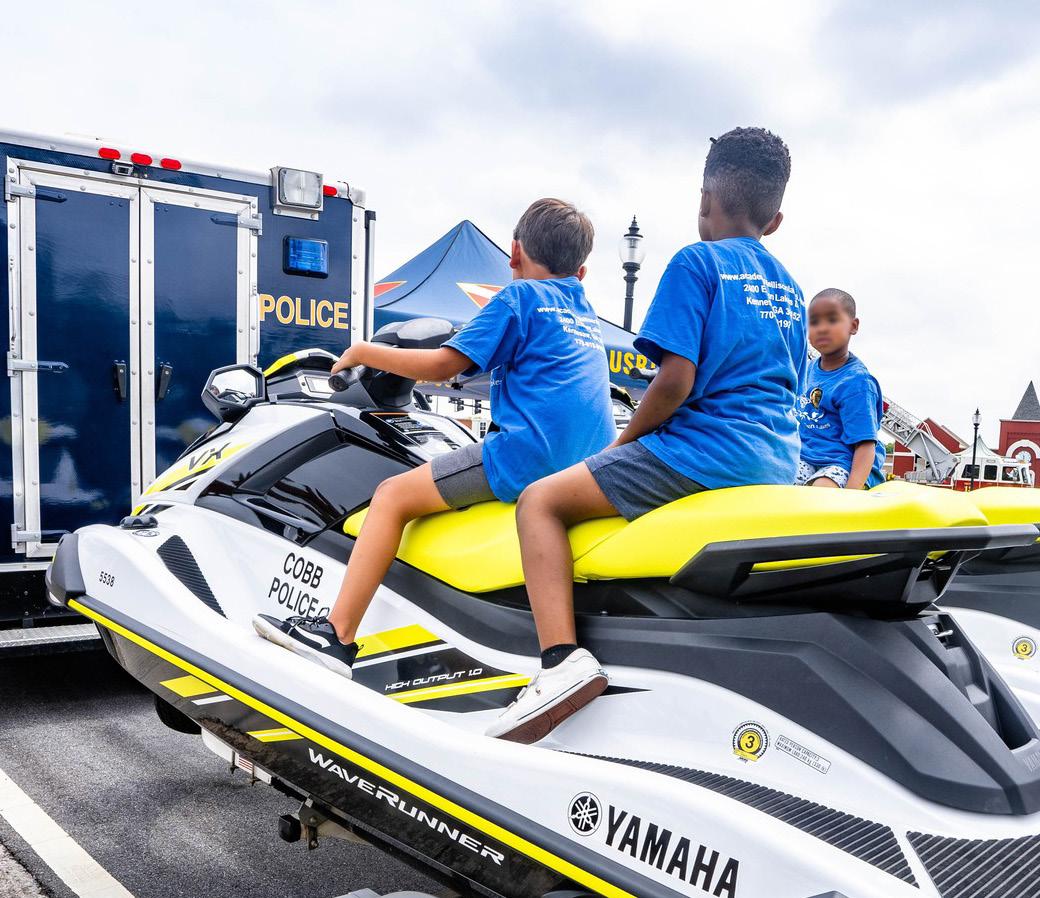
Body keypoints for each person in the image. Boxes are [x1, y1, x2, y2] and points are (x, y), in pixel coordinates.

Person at [486, 127, 807, 743]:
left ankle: (560, 663)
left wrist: (625, 441)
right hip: (775, 462)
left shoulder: (697, 262)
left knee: (541, 502)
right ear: (776, 219)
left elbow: (674, 380)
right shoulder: (791, 290)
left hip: (706, 453)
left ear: (704, 201)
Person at [253, 198, 615, 676]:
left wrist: (364, 351)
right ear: (582, 272)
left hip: (529, 456)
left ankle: (336, 635)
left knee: (391, 496)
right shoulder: (583, 310)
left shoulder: (519, 298)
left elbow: (444, 365)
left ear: (514, 252)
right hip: (588, 464)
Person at [795, 289, 885, 490]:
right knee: (776, 480)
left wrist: (851, 494)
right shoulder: (807, 370)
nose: (822, 328)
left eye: (832, 320)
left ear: (853, 326)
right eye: (814, 322)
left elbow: (865, 444)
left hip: (843, 462)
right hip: (807, 457)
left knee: (822, 490)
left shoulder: (857, 383)